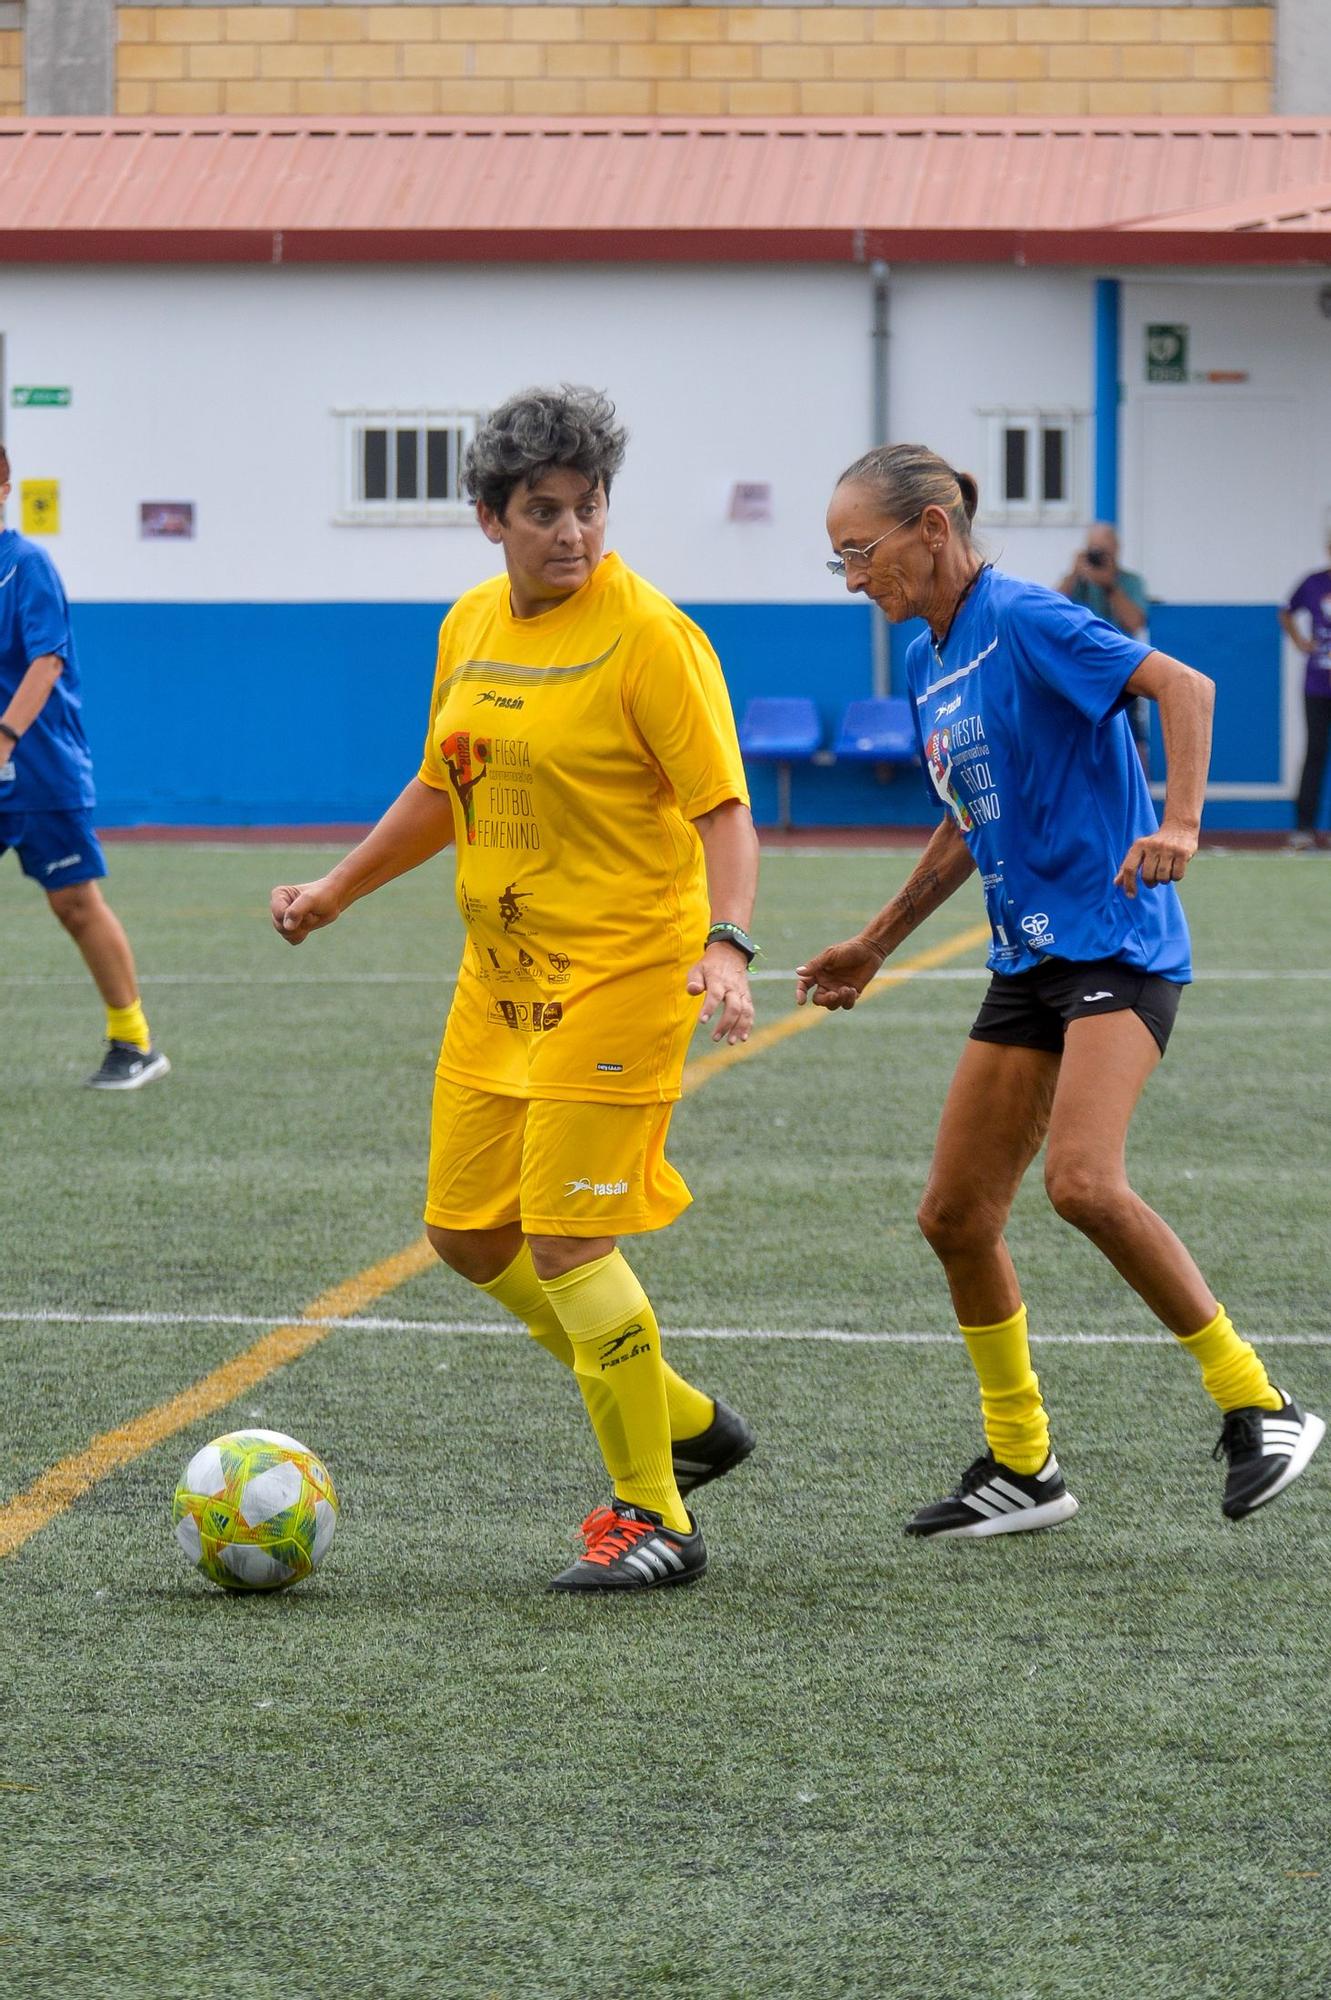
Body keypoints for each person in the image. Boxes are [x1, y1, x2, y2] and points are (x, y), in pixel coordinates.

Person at [270, 386, 759, 1593]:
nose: (573, 533)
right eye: (543, 510)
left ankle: (656, 1514)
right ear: (489, 515)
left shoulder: (651, 638)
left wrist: (727, 942)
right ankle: (684, 1420)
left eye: (589, 507)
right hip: (497, 983)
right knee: (466, 1232)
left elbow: (722, 811)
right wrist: (340, 886)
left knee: (565, 1240)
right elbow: (447, 783)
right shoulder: (470, 626)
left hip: (623, 975)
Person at [798, 442, 1323, 1538]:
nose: (851, 575)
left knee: (1081, 1181)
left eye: (861, 549)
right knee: (953, 1214)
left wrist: (1178, 823)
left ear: (932, 528)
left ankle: (1258, 1405)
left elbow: (1182, 683)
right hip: (1028, 960)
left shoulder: (1025, 617)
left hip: (1115, 946)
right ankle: (1022, 1465)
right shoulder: (926, 659)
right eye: (837, 555)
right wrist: (875, 940)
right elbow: (966, 815)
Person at [0, 444, 169, 1089]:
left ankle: (134, 1043)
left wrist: (6, 736)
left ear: (5, 485)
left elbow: (47, 662)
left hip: (40, 767)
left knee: (73, 902)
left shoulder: (27, 567)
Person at [1057, 522, 1151, 769]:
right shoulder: (1077, 581)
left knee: (1134, 736)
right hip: (1081, 668)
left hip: (1123, 669)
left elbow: (1135, 621)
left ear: (1116, 551)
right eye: (1093, 550)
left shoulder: (1129, 582)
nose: (1098, 557)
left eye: (1103, 551)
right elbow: (1051, 612)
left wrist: (1110, 586)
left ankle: (1144, 794)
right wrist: (1074, 573)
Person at [1278, 535, 1331, 850]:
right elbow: (1285, 611)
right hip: (1317, 685)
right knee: (1315, 752)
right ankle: (1303, 829)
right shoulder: (1313, 583)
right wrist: (1299, 641)